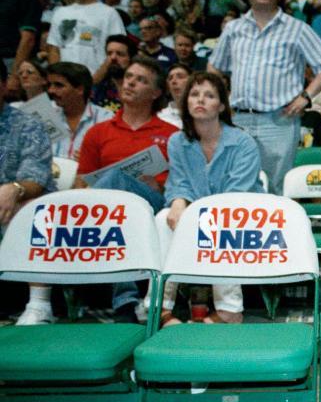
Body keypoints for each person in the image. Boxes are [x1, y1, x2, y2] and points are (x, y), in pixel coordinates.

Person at [208, 0, 321, 194]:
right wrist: (223, 98)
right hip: (239, 121)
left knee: (277, 188)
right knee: (235, 184)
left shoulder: (297, 28)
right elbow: (214, 68)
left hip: (279, 121)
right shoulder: (233, 29)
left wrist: (306, 98)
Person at [73, 57, 177, 322]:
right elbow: (81, 182)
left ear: (155, 93)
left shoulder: (171, 134)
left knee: (117, 180)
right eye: (129, 76)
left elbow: (182, 183)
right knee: (114, 185)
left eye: (140, 80)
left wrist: (161, 185)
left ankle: (123, 301)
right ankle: (126, 301)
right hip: (105, 211)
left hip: (155, 204)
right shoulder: (98, 132)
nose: (130, 82)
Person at [161, 72, 264, 327]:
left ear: (221, 105)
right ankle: (160, 308)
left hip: (241, 214)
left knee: (219, 223)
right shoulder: (176, 141)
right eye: (195, 94)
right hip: (199, 213)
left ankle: (230, 311)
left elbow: (236, 195)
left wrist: (195, 213)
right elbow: (179, 181)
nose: (201, 100)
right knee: (163, 219)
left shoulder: (243, 142)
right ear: (186, 101)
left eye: (209, 95)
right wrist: (177, 202)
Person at [1, 59, 56, 326]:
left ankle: (39, 305)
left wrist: (13, 189)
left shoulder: (27, 125)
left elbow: (36, 178)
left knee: (31, 207)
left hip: (13, 206)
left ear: (3, 86)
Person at [46, 0, 125, 75]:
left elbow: (117, 50)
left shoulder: (109, 13)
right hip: (66, 84)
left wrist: (96, 80)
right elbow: (54, 49)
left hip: (96, 82)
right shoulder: (60, 12)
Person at [46, 61, 112, 159]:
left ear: (80, 89)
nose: (51, 90)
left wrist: (95, 160)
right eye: (50, 85)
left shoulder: (105, 119)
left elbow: (112, 159)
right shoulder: (46, 115)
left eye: (58, 85)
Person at [91, 34, 136, 112]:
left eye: (120, 54)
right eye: (109, 53)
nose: (113, 58)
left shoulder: (140, 87)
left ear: (131, 58)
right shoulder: (100, 85)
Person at [158, 64, 190, 128]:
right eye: (170, 78)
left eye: (180, 77)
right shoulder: (160, 117)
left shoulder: (202, 113)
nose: (173, 81)